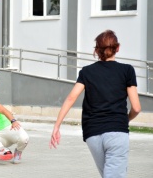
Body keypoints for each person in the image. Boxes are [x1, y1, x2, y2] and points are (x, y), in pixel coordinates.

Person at [49, 30, 141, 178]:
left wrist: (57, 126)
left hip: (93, 133)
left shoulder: (86, 72)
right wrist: (126, 119)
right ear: (118, 48)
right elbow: (136, 107)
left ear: (97, 50)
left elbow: (71, 98)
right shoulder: (127, 70)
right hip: (117, 131)